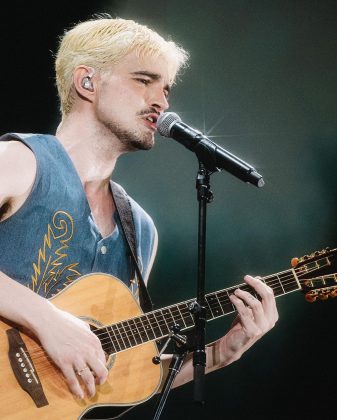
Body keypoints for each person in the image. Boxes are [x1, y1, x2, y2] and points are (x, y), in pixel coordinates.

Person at [0, 14, 278, 417]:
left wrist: (218, 354)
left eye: (165, 88)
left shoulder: (140, 230)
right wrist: (49, 321)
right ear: (87, 82)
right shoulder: (18, 162)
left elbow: (117, 374)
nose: (162, 102)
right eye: (144, 81)